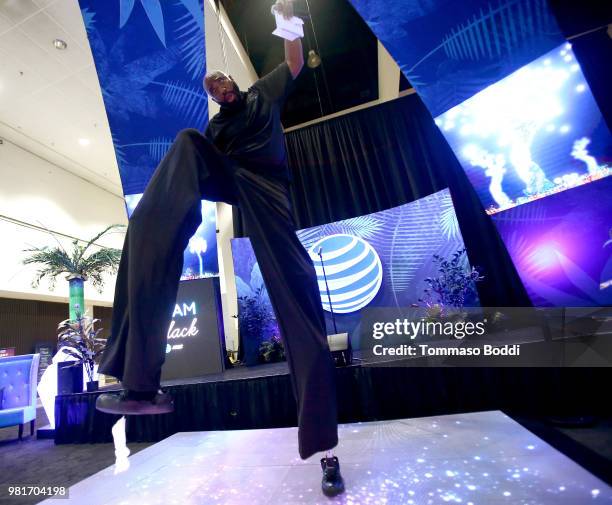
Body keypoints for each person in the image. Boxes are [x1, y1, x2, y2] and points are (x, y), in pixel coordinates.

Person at [95, 0, 344, 497]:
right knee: (186, 143)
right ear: (211, 95)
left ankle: (325, 447)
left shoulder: (260, 96)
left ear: (233, 81)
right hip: (234, 180)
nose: (219, 88)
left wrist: (286, 18)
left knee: (298, 294)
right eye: (211, 88)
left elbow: (294, 63)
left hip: (270, 192)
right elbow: (204, 164)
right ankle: (140, 381)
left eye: (222, 82)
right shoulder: (214, 129)